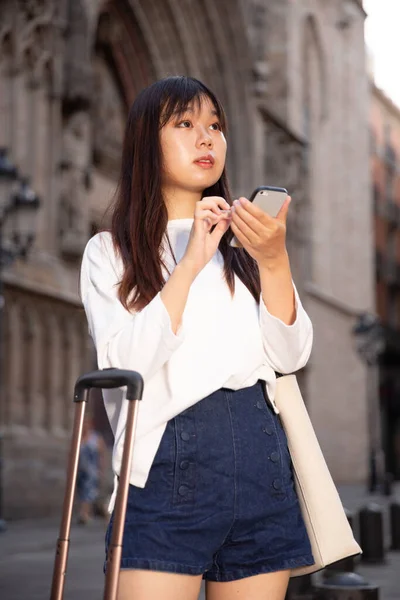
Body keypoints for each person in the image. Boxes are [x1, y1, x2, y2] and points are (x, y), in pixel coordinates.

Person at [80, 76, 314, 600]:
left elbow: (291, 354)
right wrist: (188, 264)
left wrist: (274, 262)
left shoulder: (249, 246)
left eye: (215, 126)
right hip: (166, 467)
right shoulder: (110, 251)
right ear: (146, 141)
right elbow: (125, 365)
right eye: (185, 124)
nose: (206, 138)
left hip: (261, 461)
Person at [76, 413, 107, 524]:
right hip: (80, 470)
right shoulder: (78, 437)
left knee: (88, 491)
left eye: (86, 423)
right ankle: (89, 513)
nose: (84, 425)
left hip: (92, 471)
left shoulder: (96, 438)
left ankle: (83, 514)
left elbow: (101, 455)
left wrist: (101, 470)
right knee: (82, 492)